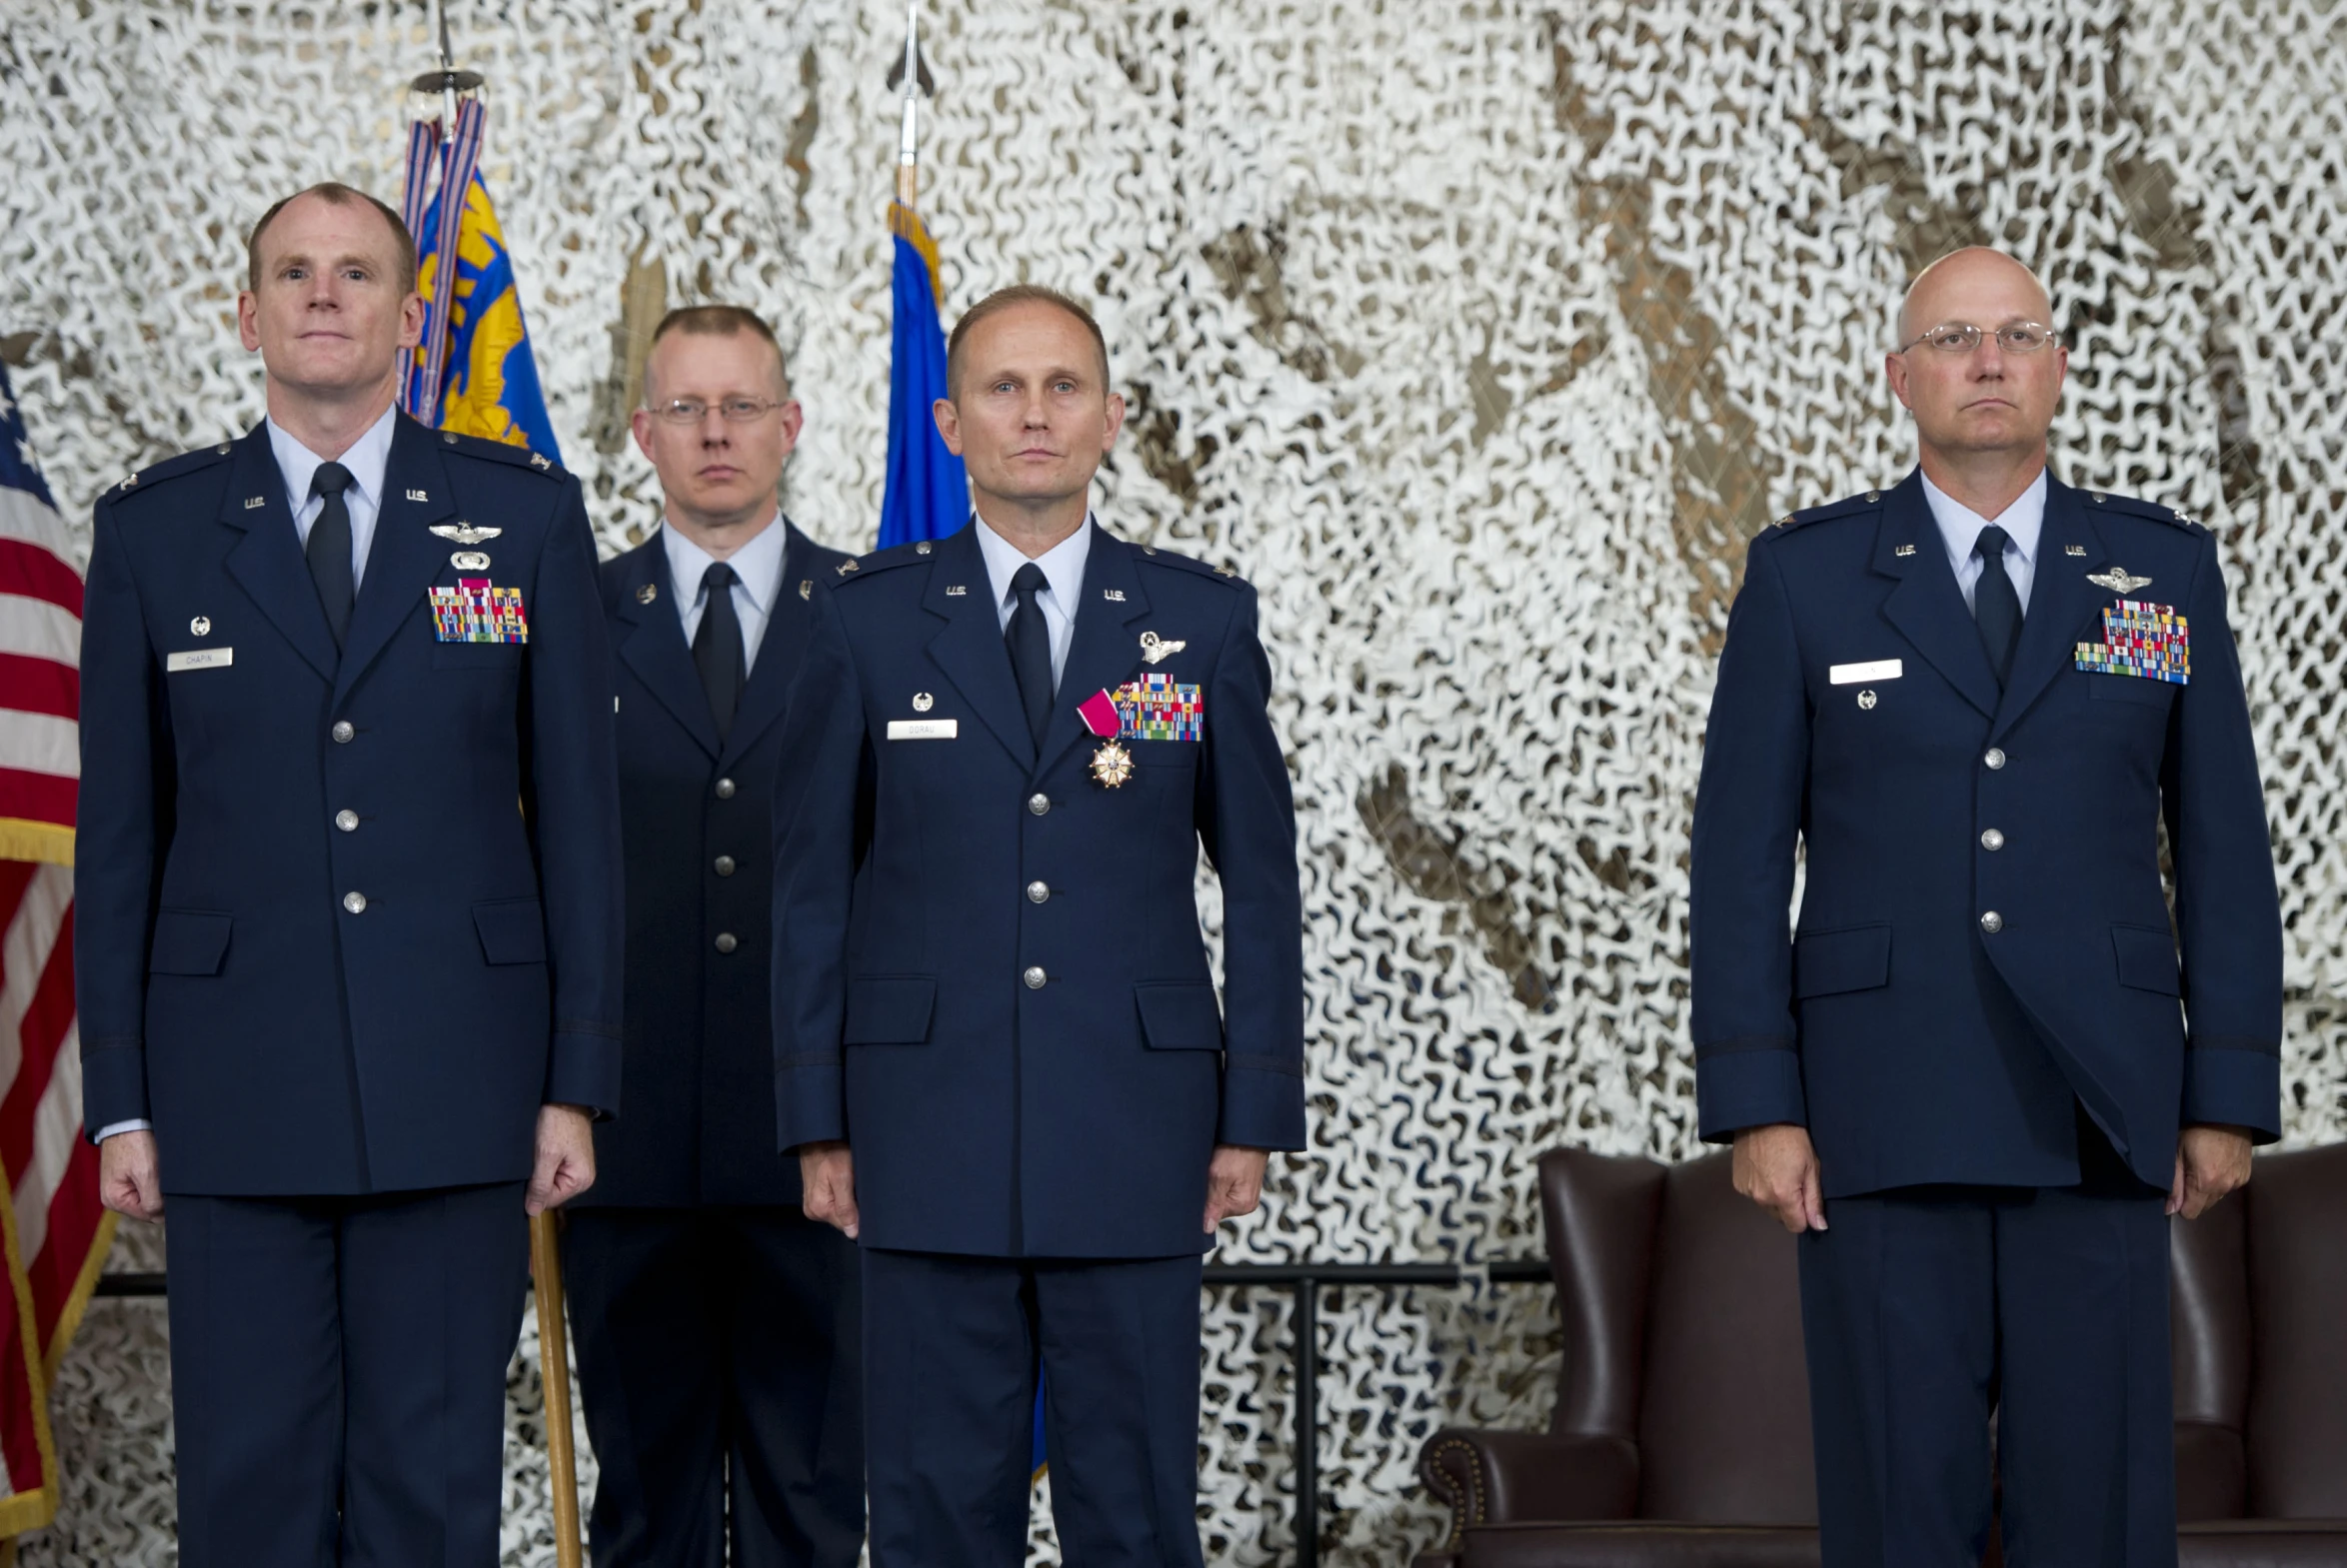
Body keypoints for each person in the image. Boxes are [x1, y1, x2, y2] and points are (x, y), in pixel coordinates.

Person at [1691, 246, 2281, 1566]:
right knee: (1901, 1509)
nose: (1990, 361)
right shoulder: (1808, 577)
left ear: (2060, 368)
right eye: (1956, 339)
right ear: (1901, 377)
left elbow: (2224, 841)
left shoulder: (2160, 575)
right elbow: (1734, 860)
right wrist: (1758, 1103)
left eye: (2018, 334)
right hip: (1878, 1115)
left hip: (2105, 1114)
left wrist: (2225, 1091)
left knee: (2102, 1519)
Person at [75, 182, 622, 1567]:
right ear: (246, 312)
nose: (326, 294)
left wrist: (572, 1081)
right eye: (296, 273)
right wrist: (121, 1102)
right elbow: (123, 843)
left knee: (429, 1495)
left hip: (461, 1085)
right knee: (249, 1496)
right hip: (228, 1093)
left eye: (359, 272)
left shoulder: (525, 520)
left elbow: (579, 827)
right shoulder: (155, 532)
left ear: (411, 313)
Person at [771, 285, 1305, 1568]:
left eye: (1063, 387)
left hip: (1137, 1131)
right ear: (948, 423)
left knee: (1132, 1513)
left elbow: (1265, 884)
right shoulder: (863, 619)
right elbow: (810, 891)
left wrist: (1252, 1112)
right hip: (919, 1131)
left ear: (1111, 418)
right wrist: (815, 1119)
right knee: (933, 1517)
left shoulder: (1200, 620)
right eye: (1003, 390)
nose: (1034, 415)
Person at [565, 305, 862, 1568]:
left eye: (742, 406)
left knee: (813, 1508)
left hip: (828, 1150)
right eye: (685, 409)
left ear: (790, 425)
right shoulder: (570, 620)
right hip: (626, 1148)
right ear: (642, 435)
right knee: (648, 1514)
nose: (716, 433)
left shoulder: (881, 617)